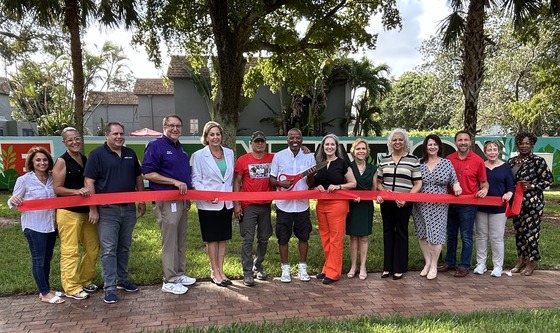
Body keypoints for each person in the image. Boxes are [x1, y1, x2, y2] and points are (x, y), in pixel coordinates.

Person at [84, 121, 146, 304]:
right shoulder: (96, 155)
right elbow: (89, 182)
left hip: (128, 209)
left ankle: (122, 280)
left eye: (121, 134)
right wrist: (93, 208)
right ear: (106, 135)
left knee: (124, 246)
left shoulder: (130, 154)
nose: (119, 137)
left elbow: (138, 177)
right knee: (109, 249)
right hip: (107, 211)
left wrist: (141, 200)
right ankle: (109, 287)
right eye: (115, 134)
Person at [142, 115, 196, 295]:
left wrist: (187, 196)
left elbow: (183, 176)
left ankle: (179, 274)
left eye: (178, 126)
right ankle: (169, 279)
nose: (175, 129)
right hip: (166, 201)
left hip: (181, 200)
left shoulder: (180, 148)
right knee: (170, 241)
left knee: (180, 238)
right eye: (171, 125)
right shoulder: (156, 146)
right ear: (164, 126)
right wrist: (173, 182)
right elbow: (148, 173)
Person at [8, 147, 64, 304]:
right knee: (38, 259)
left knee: (47, 259)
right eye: (38, 160)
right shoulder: (24, 180)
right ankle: (45, 293)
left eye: (45, 159)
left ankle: (45, 289)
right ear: (32, 162)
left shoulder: (53, 178)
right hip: (34, 226)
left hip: (50, 225)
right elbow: (13, 202)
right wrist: (12, 200)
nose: (42, 162)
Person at [52, 127, 99, 300]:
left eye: (77, 138)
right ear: (64, 142)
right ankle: (71, 287)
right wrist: (76, 192)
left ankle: (84, 280)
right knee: (70, 250)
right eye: (70, 140)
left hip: (86, 212)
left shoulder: (85, 159)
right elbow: (56, 188)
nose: (75, 142)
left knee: (93, 248)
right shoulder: (61, 161)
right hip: (68, 212)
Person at [438, 130, 488, 277]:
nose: (463, 142)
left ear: (470, 142)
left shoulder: (478, 160)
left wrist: (484, 190)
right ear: (455, 142)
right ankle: (449, 262)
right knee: (451, 234)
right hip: (450, 203)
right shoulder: (448, 159)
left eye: (466, 140)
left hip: (468, 205)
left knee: (466, 236)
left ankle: (464, 265)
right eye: (460, 140)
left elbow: (484, 183)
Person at [270, 128, 316, 283]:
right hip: (283, 205)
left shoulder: (309, 157)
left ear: (301, 139)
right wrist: (280, 183)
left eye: (297, 138)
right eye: (291, 138)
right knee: (283, 238)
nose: (294, 140)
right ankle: (285, 269)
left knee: (304, 236)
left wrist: (310, 176)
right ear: (287, 140)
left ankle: (302, 268)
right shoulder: (279, 156)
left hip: (302, 205)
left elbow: (311, 183)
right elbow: (271, 179)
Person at [308, 134, 356, 284]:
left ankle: (334, 273)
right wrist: (317, 186)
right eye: (327, 145)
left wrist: (339, 186)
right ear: (322, 147)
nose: (329, 147)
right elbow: (312, 183)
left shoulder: (342, 164)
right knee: (325, 237)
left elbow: (353, 183)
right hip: (321, 204)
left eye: (332, 145)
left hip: (338, 205)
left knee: (336, 239)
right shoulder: (319, 164)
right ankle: (327, 267)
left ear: (337, 147)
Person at [412, 134, 461, 280]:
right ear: (425, 147)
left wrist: (457, 186)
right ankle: (427, 263)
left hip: (439, 205)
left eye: (435, 144)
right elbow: (413, 182)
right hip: (420, 204)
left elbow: (454, 181)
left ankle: (434, 265)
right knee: (422, 234)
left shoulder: (446, 163)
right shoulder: (418, 163)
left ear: (439, 146)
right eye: (429, 144)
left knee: (436, 235)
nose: (432, 147)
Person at [191, 121, 234, 287]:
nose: (215, 137)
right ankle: (214, 271)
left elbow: (228, 178)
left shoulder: (229, 153)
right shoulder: (199, 155)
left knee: (223, 238)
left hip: (226, 203)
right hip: (208, 204)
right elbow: (196, 179)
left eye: (218, 134)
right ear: (206, 137)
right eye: (212, 134)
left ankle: (221, 270)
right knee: (212, 239)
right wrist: (207, 195)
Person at [376, 129, 422, 280]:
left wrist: (406, 198)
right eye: (394, 140)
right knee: (388, 231)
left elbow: (418, 183)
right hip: (387, 203)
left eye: (400, 140)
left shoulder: (413, 160)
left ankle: (399, 267)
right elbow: (379, 182)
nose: (397, 142)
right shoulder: (384, 159)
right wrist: (384, 193)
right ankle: (387, 267)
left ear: (405, 142)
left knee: (401, 232)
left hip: (404, 203)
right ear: (390, 142)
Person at [507, 132, 553, 276]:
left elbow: (548, 181)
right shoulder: (512, 162)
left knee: (531, 233)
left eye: (527, 143)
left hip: (533, 204)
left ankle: (532, 261)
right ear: (517, 144)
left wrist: (532, 186)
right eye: (521, 143)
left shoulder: (538, 161)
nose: (524, 146)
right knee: (519, 233)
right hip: (516, 204)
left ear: (532, 144)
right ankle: (521, 259)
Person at [233, 131, 274, 287]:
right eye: (256, 141)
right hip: (248, 205)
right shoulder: (243, 160)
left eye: (262, 141)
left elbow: (288, 155)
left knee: (264, 237)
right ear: (251, 143)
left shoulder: (272, 158)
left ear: (265, 143)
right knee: (248, 238)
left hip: (265, 205)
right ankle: (247, 272)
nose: (259, 144)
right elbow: (237, 182)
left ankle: (259, 265)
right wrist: (237, 203)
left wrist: (304, 148)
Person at [474, 140, 514, 278]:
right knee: (481, 236)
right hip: (481, 207)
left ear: (498, 151)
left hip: (499, 209)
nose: (492, 152)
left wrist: (509, 194)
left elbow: (510, 187)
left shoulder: (505, 167)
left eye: (494, 149)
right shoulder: (481, 166)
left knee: (496, 237)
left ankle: (498, 266)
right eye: (489, 150)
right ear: (485, 152)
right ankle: (481, 264)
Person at [346, 138, 377, 281]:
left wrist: (376, 197)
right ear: (353, 151)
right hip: (352, 206)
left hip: (366, 206)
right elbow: (345, 186)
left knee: (364, 238)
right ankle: (353, 266)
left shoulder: (373, 168)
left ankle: (363, 266)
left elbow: (374, 189)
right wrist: (351, 197)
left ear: (367, 151)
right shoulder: (348, 167)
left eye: (363, 149)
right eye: (358, 149)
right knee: (353, 237)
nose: (361, 151)